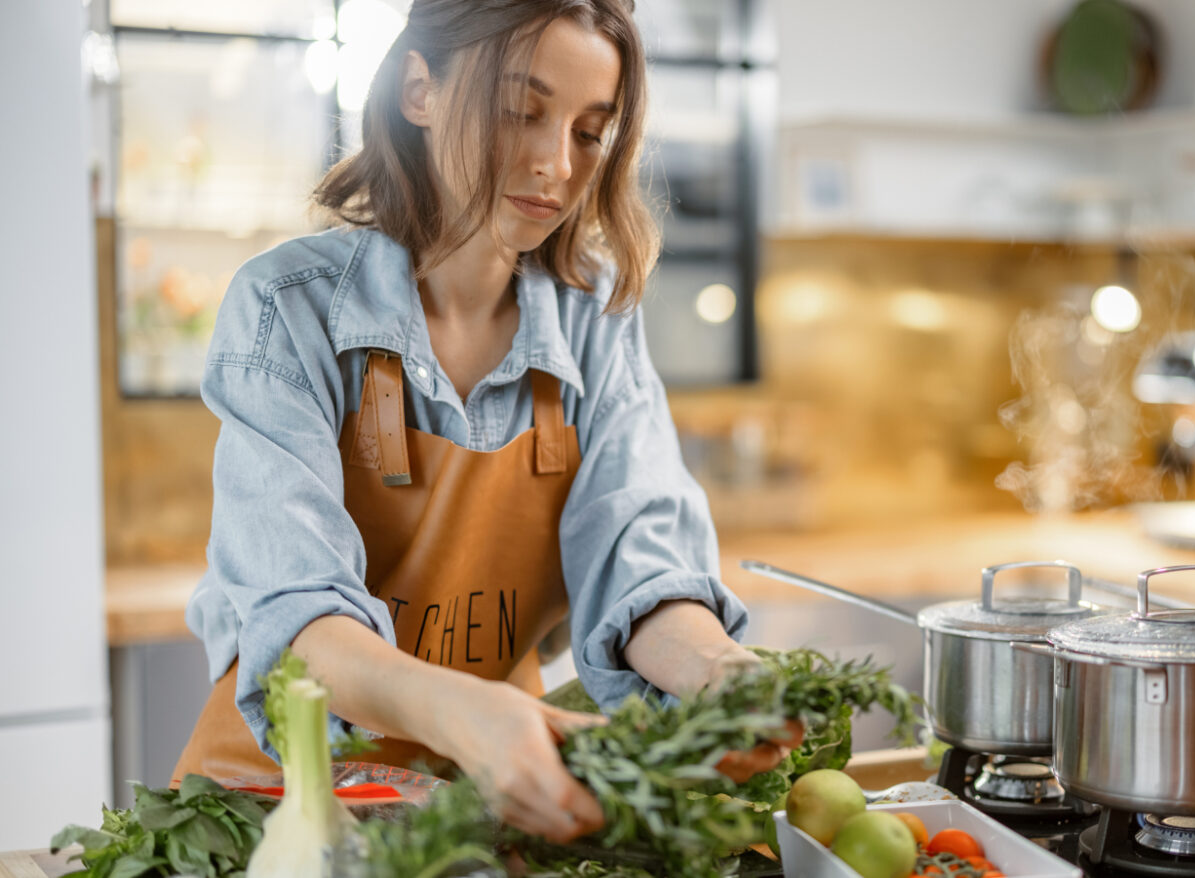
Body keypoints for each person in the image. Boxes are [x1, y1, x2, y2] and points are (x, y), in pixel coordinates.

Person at [171, 0, 792, 844]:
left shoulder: (593, 322)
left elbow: (641, 569)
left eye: (587, 131)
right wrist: (468, 714)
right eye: (519, 112)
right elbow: (299, 624)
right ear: (419, 89)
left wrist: (725, 675)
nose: (555, 165)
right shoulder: (288, 308)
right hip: (276, 813)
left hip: (495, 814)